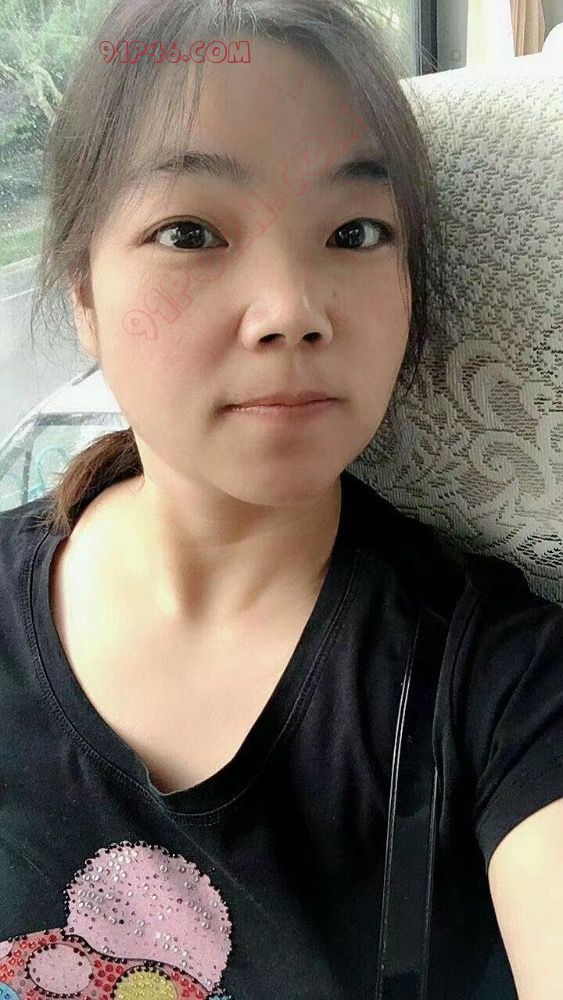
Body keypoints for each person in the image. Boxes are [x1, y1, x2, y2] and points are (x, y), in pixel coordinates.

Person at [0, 1, 561, 998]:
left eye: (354, 232)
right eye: (190, 232)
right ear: (83, 291)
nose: (293, 311)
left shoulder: (500, 684)